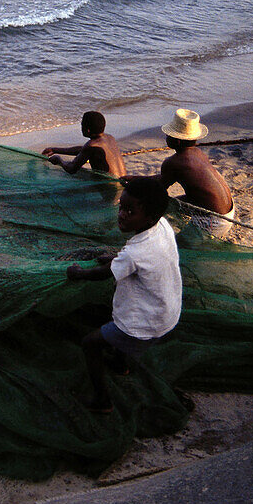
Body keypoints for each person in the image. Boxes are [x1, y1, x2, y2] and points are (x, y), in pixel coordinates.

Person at [65, 177, 182, 413]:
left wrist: (78, 273)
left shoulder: (134, 253)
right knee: (119, 312)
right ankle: (120, 364)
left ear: (149, 217)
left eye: (130, 211)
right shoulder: (162, 227)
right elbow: (138, 258)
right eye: (121, 207)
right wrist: (116, 259)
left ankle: (103, 401)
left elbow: (102, 274)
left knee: (90, 343)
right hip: (167, 310)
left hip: (147, 324)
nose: (122, 214)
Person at [145, 108, 234, 239]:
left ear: (178, 141)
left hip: (215, 220)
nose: (166, 137)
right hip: (228, 212)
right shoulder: (199, 154)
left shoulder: (174, 162)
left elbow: (159, 187)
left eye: (169, 135)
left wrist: (134, 182)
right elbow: (163, 179)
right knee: (171, 205)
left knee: (178, 246)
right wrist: (136, 179)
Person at [41, 110, 127, 179]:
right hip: (122, 184)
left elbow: (71, 169)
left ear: (87, 130)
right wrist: (55, 150)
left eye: (82, 125)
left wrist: (59, 160)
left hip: (110, 190)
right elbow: (83, 150)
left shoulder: (91, 145)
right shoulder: (110, 138)